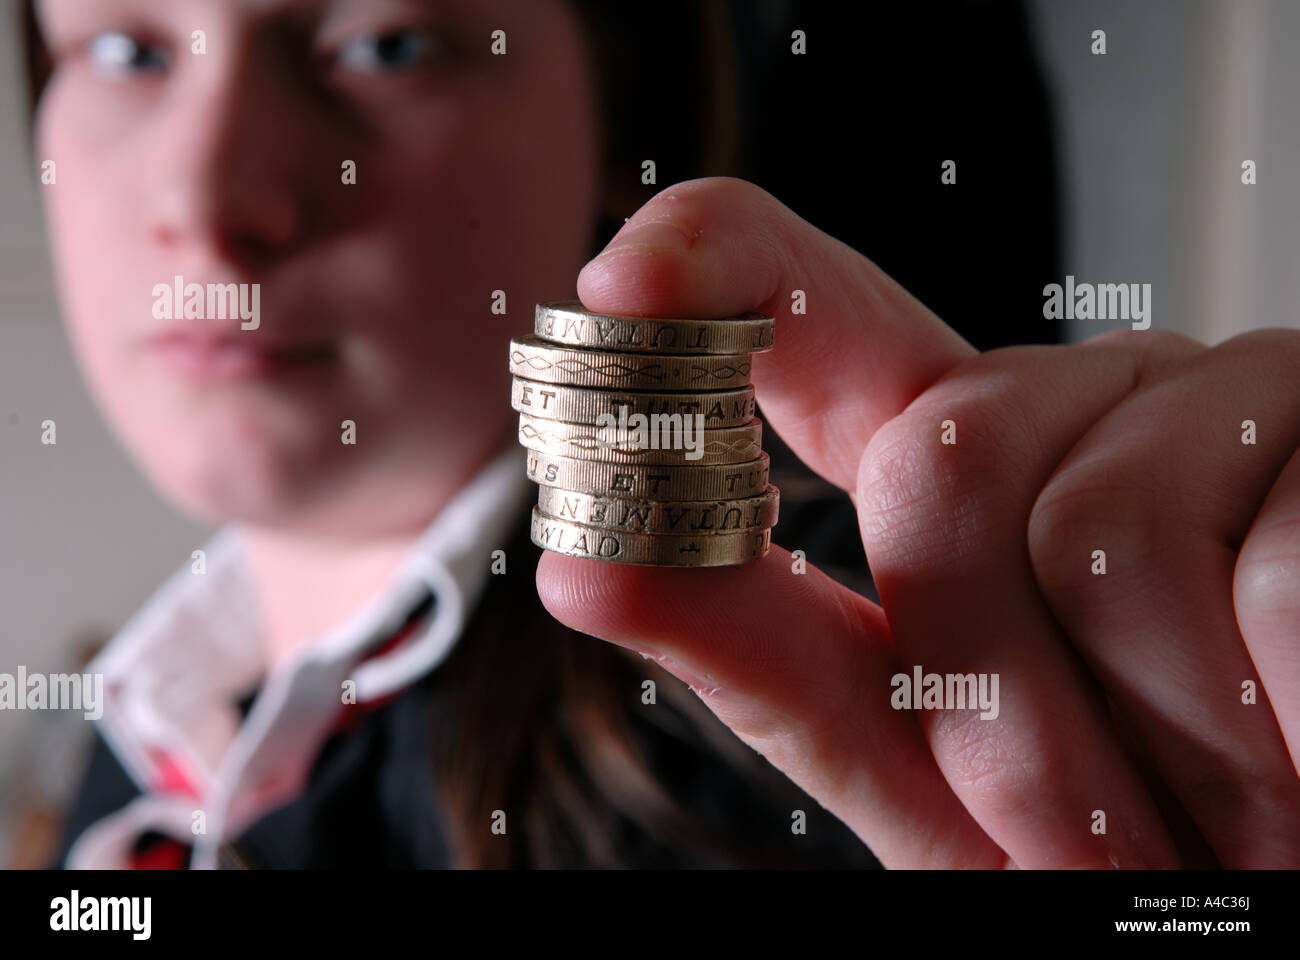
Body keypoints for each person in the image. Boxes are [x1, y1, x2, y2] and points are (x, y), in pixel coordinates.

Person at [21, 0, 1298, 870]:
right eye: (127, 49)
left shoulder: (872, 708)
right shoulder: (120, 748)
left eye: (387, 44)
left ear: (619, 122)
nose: (210, 201)